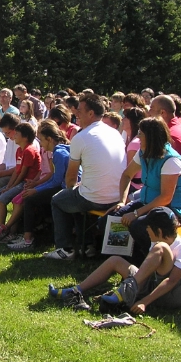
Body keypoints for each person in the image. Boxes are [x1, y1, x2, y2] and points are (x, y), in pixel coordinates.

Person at [49, 207, 181, 313]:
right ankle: (75, 290)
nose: (146, 230)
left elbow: (171, 281)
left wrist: (144, 302)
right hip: (155, 285)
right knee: (115, 260)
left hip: (177, 295)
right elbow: (148, 273)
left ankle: (125, 291)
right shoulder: (156, 240)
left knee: (161, 247)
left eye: (148, 227)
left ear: (159, 231)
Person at [45, 93, 126, 261]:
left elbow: (71, 177)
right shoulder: (115, 133)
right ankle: (87, 245)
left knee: (59, 200)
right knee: (75, 196)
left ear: (91, 113)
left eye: (80, 110)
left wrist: (71, 189)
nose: (76, 114)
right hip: (118, 197)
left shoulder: (81, 137)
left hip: (95, 197)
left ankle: (65, 249)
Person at [109, 117, 181, 266]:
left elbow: (165, 198)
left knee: (138, 226)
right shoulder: (143, 152)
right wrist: (122, 201)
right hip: (147, 203)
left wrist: (135, 213)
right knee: (113, 217)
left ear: (151, 136)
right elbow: (127, 175)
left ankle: (154, 264)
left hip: (171, 210)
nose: (138, 137)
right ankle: (127, 261)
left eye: (141, 133)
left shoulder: (171, 160)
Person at [6, 120, 71, 250]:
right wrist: (36, 186)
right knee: (30, 197)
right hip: (62, 186)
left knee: (30, 199)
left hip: (65, 188)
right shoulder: (58, 150)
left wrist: (36, 189)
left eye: (41, 140)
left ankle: (28, 240)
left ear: (49, 139)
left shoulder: (58, 153)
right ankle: (32, 234)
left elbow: (56, 181)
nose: (40, 143)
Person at [148, 95, 181, 194]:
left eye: (152, 108)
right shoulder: (179, 125)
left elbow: (168, 175)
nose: (149, 112)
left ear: (162, 113)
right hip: (180, 186)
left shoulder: (171, 136)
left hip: (179, 191)